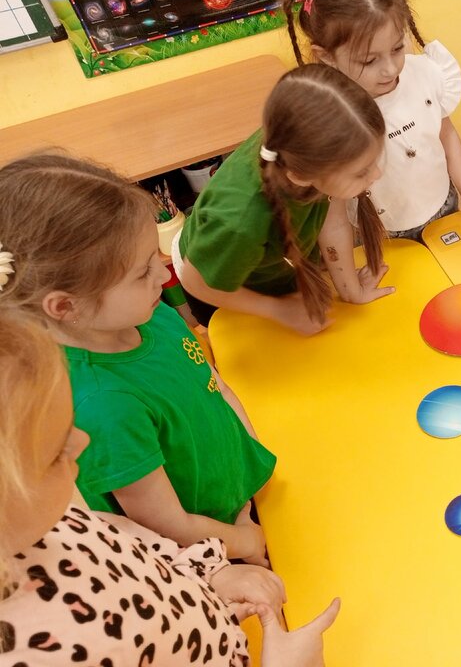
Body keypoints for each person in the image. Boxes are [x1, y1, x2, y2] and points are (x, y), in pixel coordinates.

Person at [0, 310, 339, 666]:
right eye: (56, 453)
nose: (83, 442)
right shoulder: (37, 654)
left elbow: (128, 542)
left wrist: (213, 573)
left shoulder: (49, 520)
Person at [0, 153, 275, 564]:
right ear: (65, 305)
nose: (163, 276)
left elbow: (212, 384)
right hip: (218, 549)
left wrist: (253, 467)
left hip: (246, 505)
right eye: (143, 271)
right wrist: (247, 542)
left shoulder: (146, 313)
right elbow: (170, 527)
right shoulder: (102, 404)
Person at [283, 0, 461, 257]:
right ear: (327, 56)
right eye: (369, 60)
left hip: (443, 205)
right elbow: (333, 202)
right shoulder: (332, 114)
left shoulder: (425, 73)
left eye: (397, 48)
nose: (390, 69)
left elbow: (447, 135)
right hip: (379, 230)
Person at [178, 64, 390, 331]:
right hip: (221, 286)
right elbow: (197, 281)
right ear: (301, 176)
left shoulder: (307, 151)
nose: (377, 174)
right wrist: (277, 310)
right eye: (361, 172)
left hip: (273, 269)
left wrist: (351, 290)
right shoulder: (241, 222)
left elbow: (333, 220)